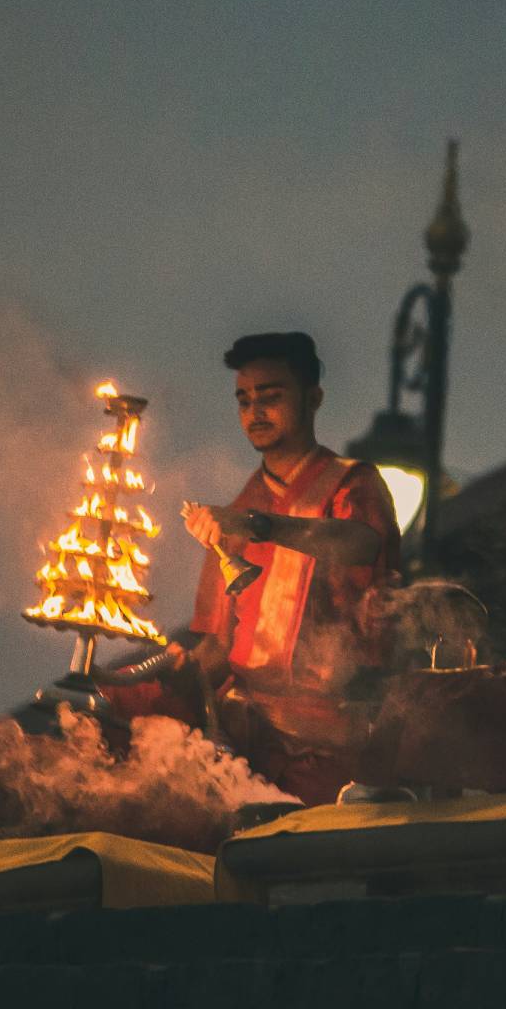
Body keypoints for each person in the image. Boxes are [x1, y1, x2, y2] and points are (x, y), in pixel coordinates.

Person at [113, 333, 401, 805]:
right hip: (250, 750)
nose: (255, 413)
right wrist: (146, 676)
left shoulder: (353, 485)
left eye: (270, 397)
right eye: (244, 401)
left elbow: (360, 546)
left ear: (313, 399)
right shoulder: (237, 511)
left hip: (337, 752)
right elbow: (219, 647)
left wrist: (263, 527)